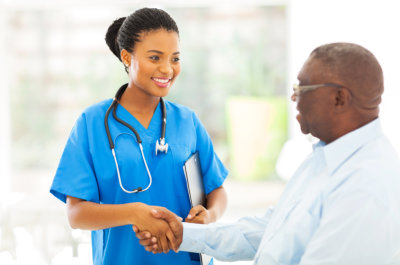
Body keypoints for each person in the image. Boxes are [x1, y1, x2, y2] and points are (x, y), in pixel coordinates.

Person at [134, 42, 400, 265]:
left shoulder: (366, 186)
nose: (294, 99)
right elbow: (268, 230)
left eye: (301, 89)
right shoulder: (322, 159)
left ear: (339, 99)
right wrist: (184, 234)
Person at [49, 7, 228, 265]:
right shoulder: (92, 123)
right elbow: (76, 214)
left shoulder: (187, 121)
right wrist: (134, 213)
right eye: (155, 58)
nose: (167, 69)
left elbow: (217, 190)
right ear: (126, 56)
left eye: (175, 59)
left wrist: (209, 216)